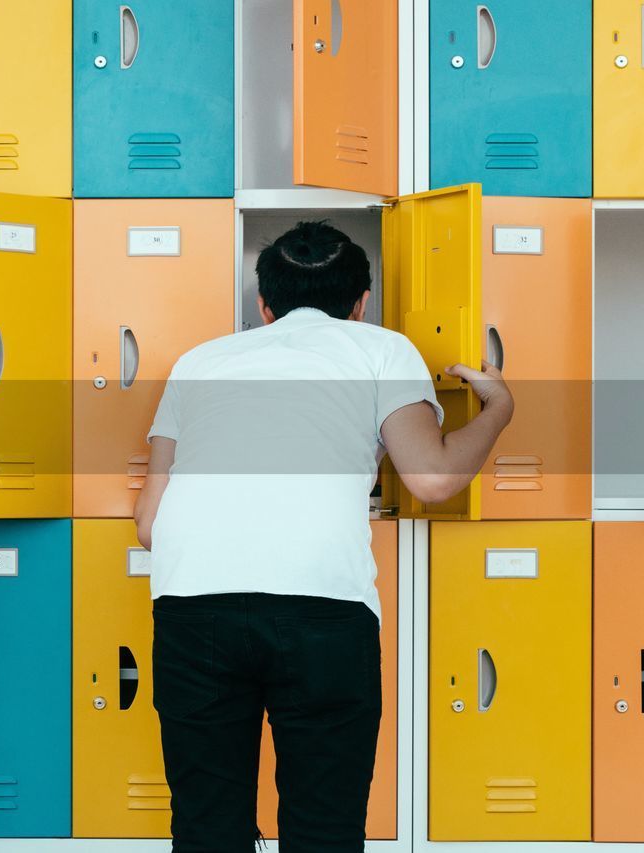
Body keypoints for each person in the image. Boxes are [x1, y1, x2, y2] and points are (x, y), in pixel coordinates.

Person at [133, 221, 513, 853]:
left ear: (264, 304)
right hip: (321, 611)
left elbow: (150, 523)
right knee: (323, 827)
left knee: (206, 822)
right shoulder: (381, 349)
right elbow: (434, 478)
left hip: (192, 607)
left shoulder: (198, 362)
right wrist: (499, 408)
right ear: (359, 302)